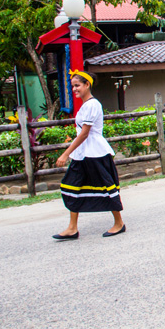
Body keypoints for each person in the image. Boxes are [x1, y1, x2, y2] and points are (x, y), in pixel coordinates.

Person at [52, 70, 125, 240]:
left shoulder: (93, 105)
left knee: (107, 187)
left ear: (87, 85)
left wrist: (65, 154)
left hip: (95, 153)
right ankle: (72, 227)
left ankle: (119, 223)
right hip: (82, 154)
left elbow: (84, 134)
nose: (74, 89)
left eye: (77, 85)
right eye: (73, 86)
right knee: (72, 186)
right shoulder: (85, 105)